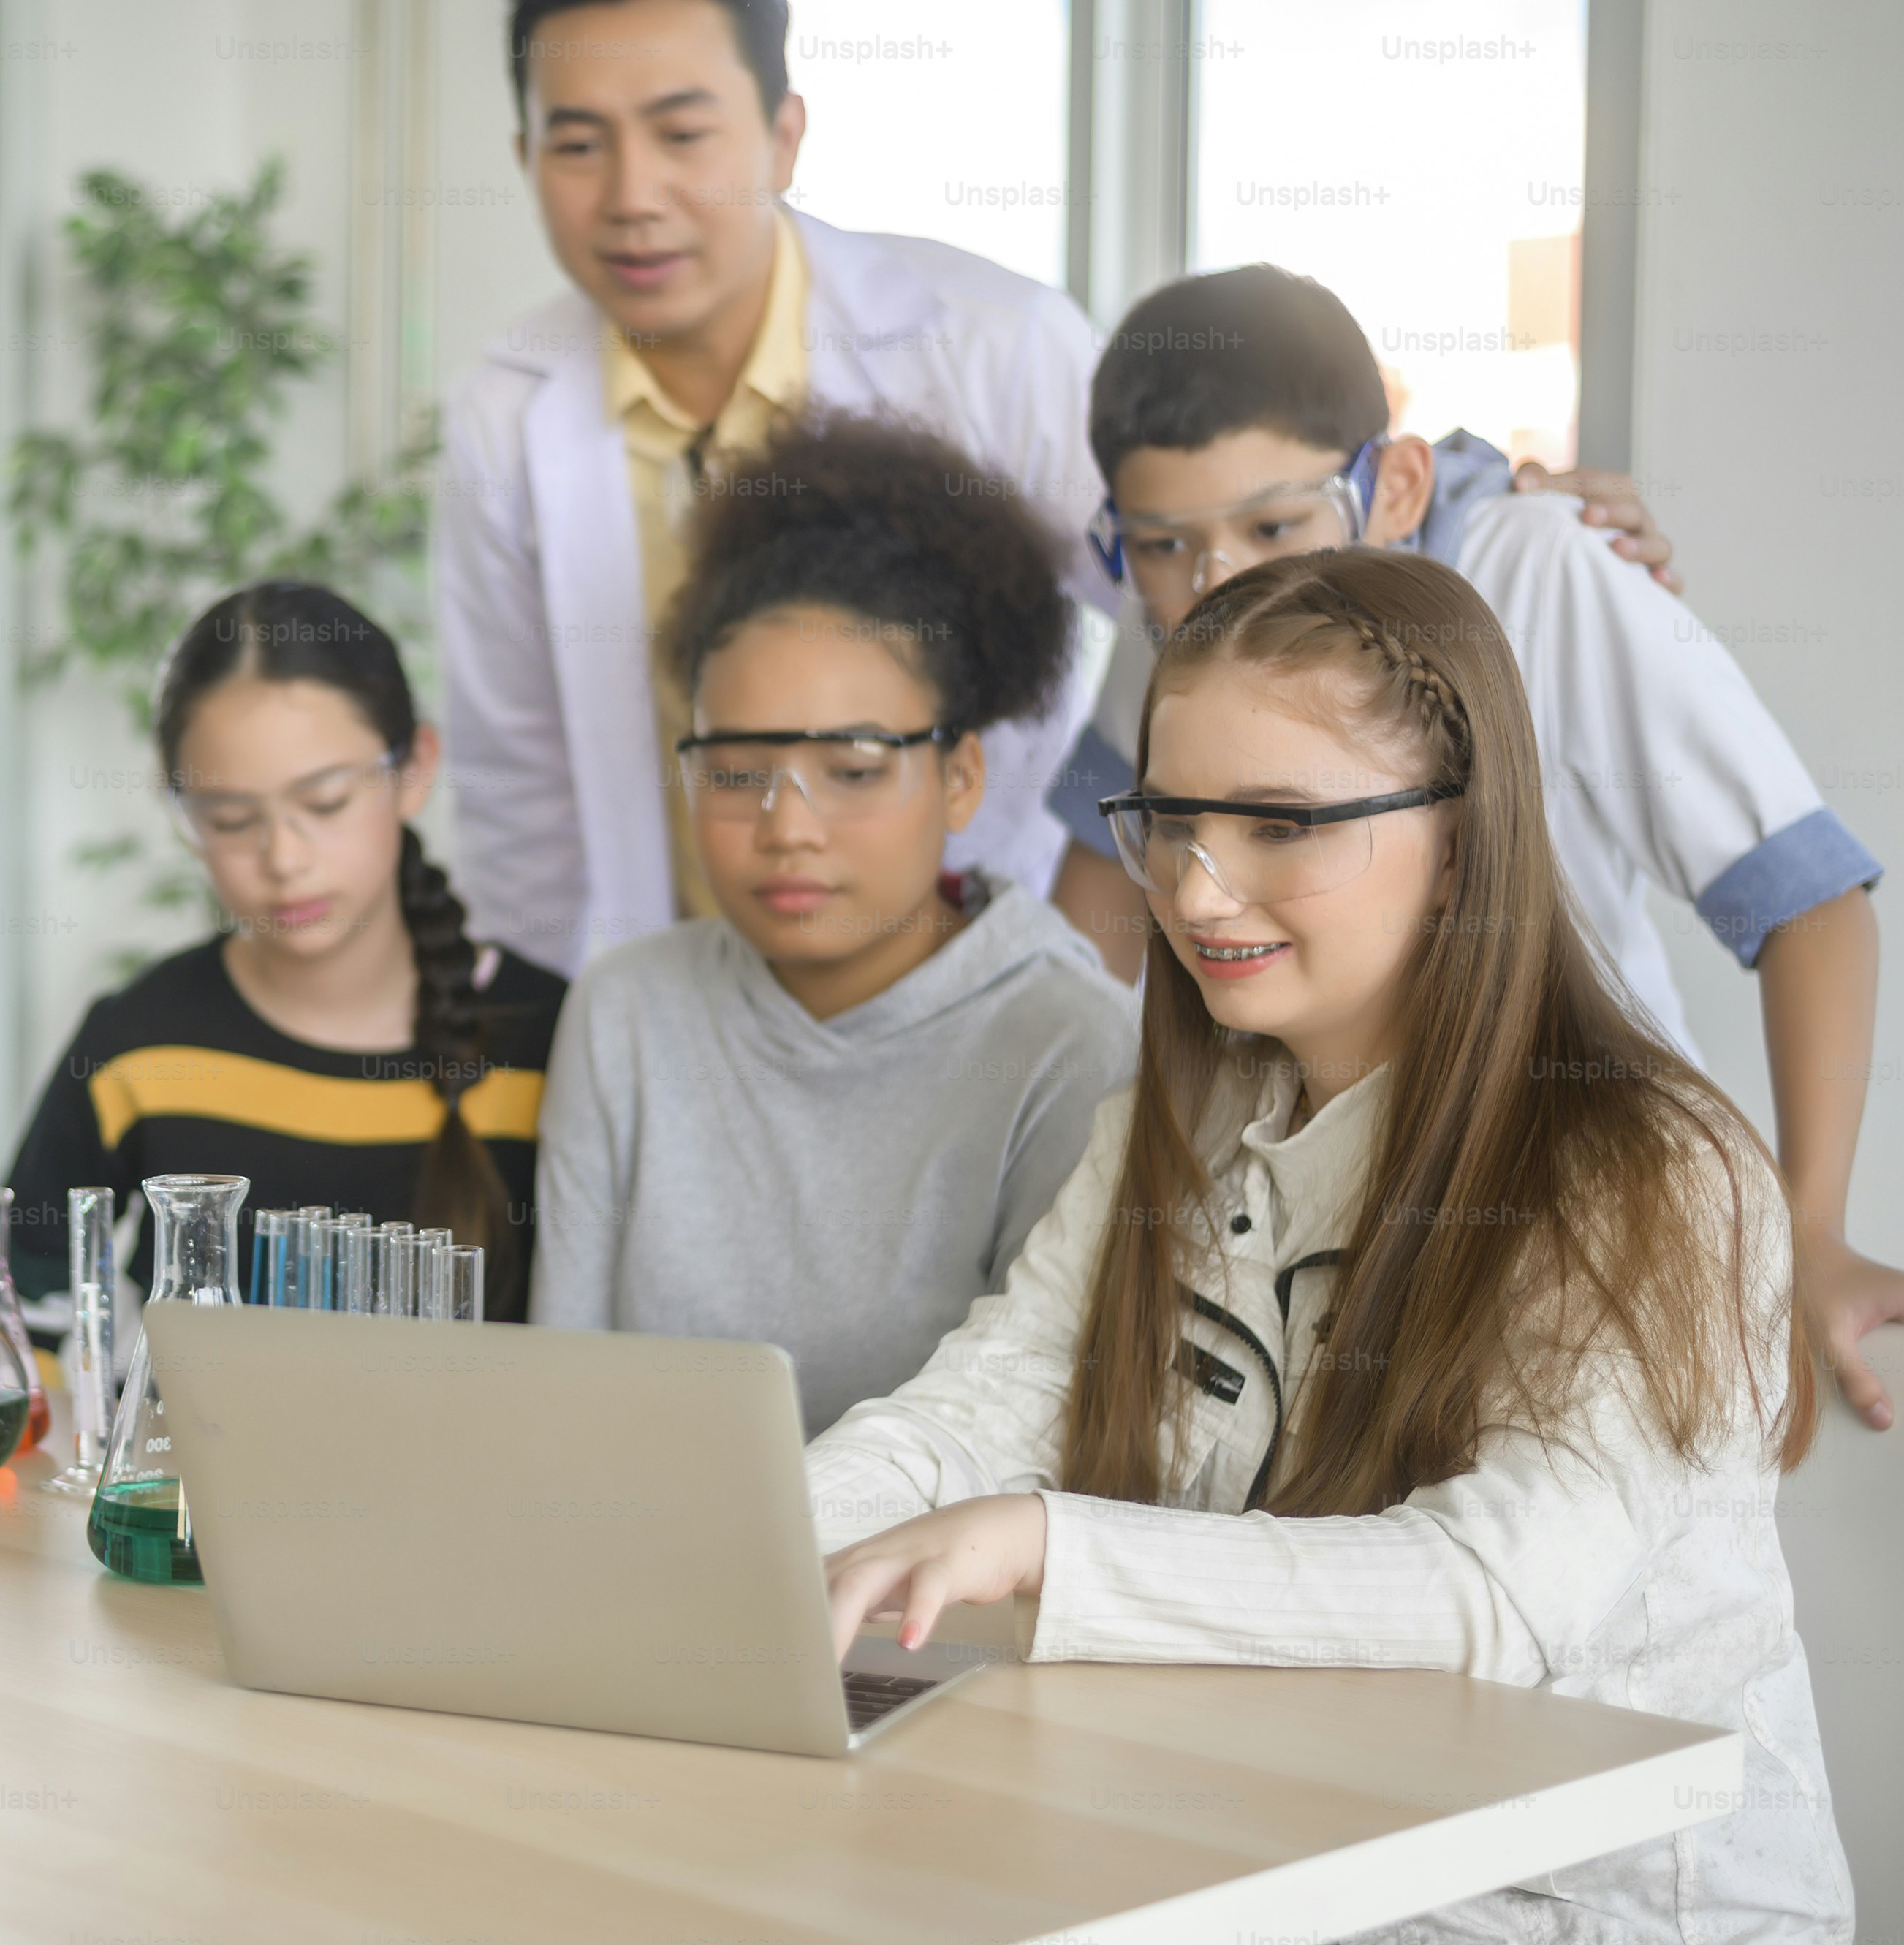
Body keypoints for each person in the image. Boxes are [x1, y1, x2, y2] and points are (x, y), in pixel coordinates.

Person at [816, 549, 1849, 1938]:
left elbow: (1491, 1593)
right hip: (1261, 1861)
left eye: (1280, 826)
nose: (1193, 891)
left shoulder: (1658, 1171)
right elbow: (977, 1410)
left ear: (1462, 843)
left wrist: (1046, 1550)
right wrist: (757, 1536)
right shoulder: (1167, 1123)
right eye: (1172, 820)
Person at [443, 0, 1678, 972]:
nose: (632, 195)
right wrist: (576, 1023)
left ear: (783, 135)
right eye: (578, 143)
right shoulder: (510, 409)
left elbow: (1214, 551)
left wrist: (1467, 494)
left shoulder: (991, 343)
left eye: (682, 130)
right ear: (522, 155)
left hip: (972, 953)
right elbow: (518, 789)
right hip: (679, 992)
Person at [1045, 265, 1901, 1430]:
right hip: (1322, 1212)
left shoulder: (1543, 568)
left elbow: (1807, 898)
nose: (1222, 580)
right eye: (1162, 546)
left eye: (1276, 523)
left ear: (1395, 484)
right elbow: (1096, 905)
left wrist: (1807, 1231)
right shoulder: (1187, 615)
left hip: (1567, 1185)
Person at [530, 417, 1136, 1433]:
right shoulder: (628, 1009)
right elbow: (560, 1402)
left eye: (852, 771)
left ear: (961, 776)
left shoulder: (1072, 1044)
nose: (788, 831)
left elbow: (1032, 1452)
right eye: (735, 774)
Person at [7, 582, 566, 1322]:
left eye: (325, 803)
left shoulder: (554, 1039)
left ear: (414, 769)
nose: (283, 858)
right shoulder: (138, 1047)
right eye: (232, 820)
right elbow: (15, 1310)